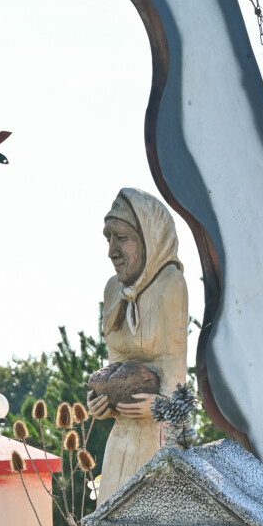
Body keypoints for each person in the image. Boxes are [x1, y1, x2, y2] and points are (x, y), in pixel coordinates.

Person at [86, 187, 189, 500]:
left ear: (150, 238)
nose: (112, 251)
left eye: (122, 237)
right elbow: (115, 366)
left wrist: (159, 407)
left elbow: (175, 371)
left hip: (158, 436)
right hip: (123, 434)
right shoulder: (111, 290)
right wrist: (100, 401)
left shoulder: (171, 283)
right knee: (111, 521)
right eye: (108, 238)